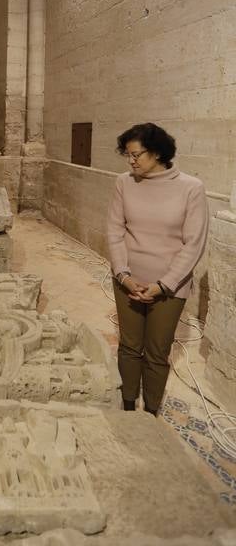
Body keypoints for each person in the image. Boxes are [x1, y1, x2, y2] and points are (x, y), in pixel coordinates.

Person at [107, 122, 209, 415]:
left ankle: (151, 410)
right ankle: (128, 406)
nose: (130, 161)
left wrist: (163, 285)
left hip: (169, 287)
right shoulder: (123, 183)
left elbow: (194, 243)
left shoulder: (191, 188)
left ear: (157, 153)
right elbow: (115, 231)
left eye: (136, 154)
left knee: (156, 351)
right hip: (127, 279)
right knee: (129, 346)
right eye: (127, 155)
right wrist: (123, 275)